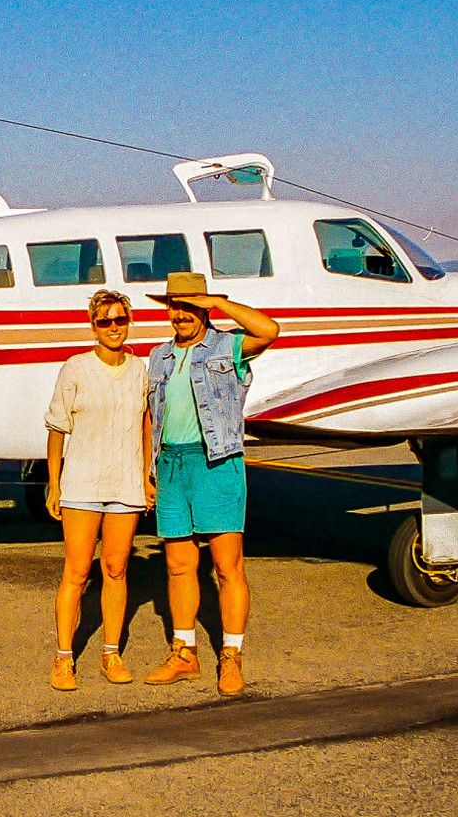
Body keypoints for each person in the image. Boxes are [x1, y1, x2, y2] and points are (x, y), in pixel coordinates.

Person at [141, 271, 278, 696]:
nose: (181, 314)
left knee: (227, 567)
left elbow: (269, 330)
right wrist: (148, 471)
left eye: (190, 306)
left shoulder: (228, 345)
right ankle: (185, 653)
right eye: (175, 306)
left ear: (203, 307)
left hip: (216, 462)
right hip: (171, 465)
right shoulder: (159, 356)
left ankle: (231, 657)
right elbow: (151, 415)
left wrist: (217, 302)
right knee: (179, 565)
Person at [42, 289, 153, 691]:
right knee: (76, 570)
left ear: (129, 322)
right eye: (104, 321)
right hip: (82, 483)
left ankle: (111, 653)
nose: (112, 328)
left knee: (116, 569)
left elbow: (145, 423)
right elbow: (57, 428)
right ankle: (64, 658)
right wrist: (53, 484)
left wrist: (146, 475)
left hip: (125, 483)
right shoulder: (75, 369)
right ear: (92, 325)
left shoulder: (140, 370)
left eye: (119, 320)